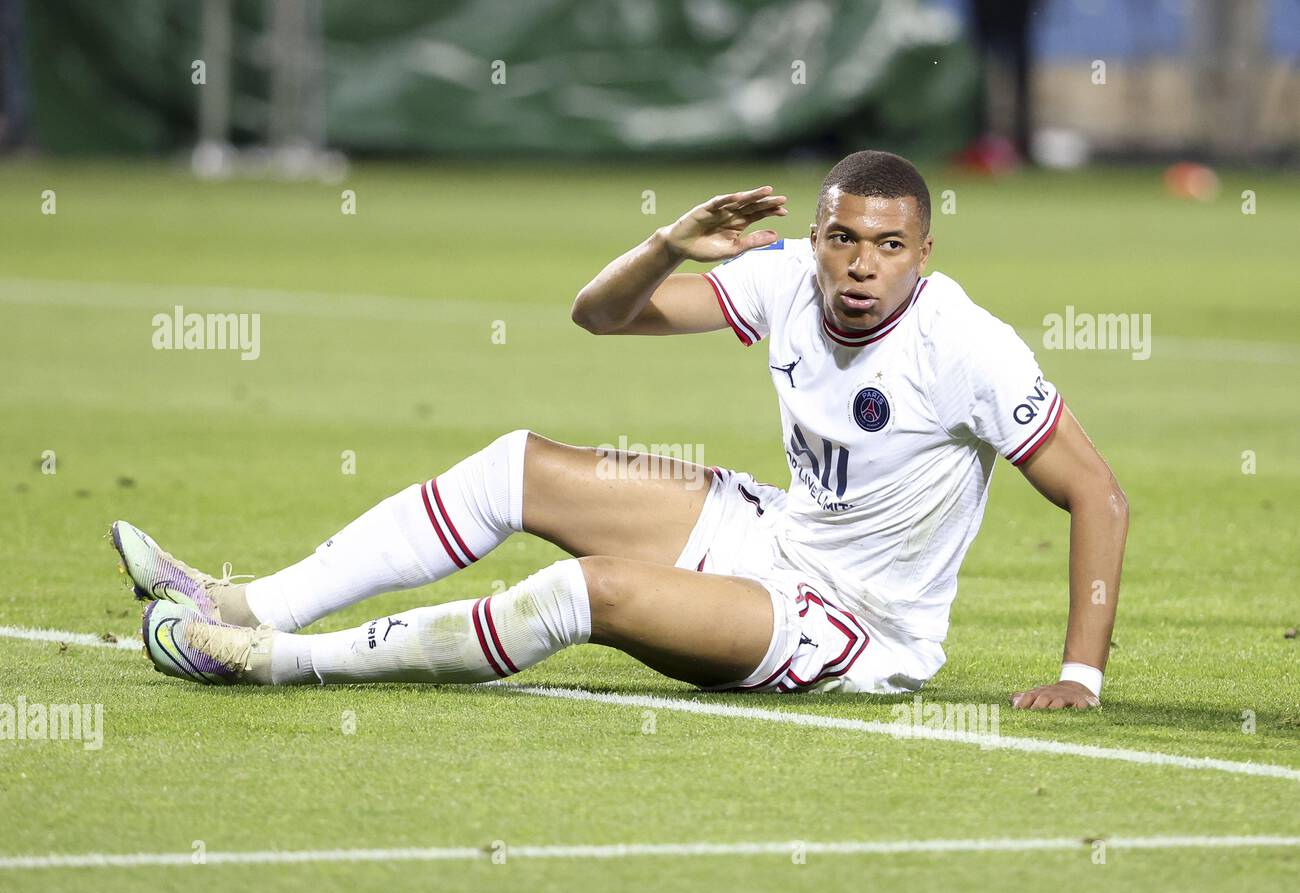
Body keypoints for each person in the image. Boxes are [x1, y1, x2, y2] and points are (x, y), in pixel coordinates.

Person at [117, 150, 1128, 710]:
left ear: (922, 252)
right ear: (816, 238)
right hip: (775, 534)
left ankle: (281, 661)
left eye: (888, 246)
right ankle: (242, 600)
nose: (861, 265)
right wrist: (666, 244)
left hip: (859, 626)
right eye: (843, 239)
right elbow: (598, 314)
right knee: (517, 465)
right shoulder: (783, 278)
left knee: (583, 592)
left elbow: (1098, 493)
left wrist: (1079, 674)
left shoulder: (970, 347)